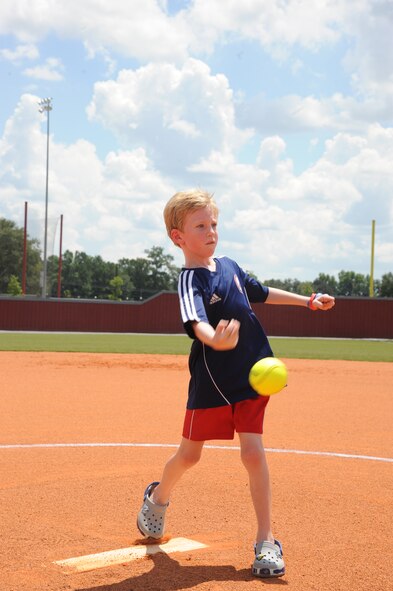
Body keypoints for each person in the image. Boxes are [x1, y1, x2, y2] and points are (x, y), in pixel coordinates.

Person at [137, 189, 335, 578]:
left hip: (252, 373)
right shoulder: (189, 279)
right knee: (189, 456)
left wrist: (307, 300)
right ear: (178, 237)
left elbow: (260, 293)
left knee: (252, 453)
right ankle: (157, 498)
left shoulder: (229, 265)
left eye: (213, 224)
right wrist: (213, 338)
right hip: (212, 381)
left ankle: (266, 541)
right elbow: (195, 321)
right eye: (200, 226)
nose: (211, 232)